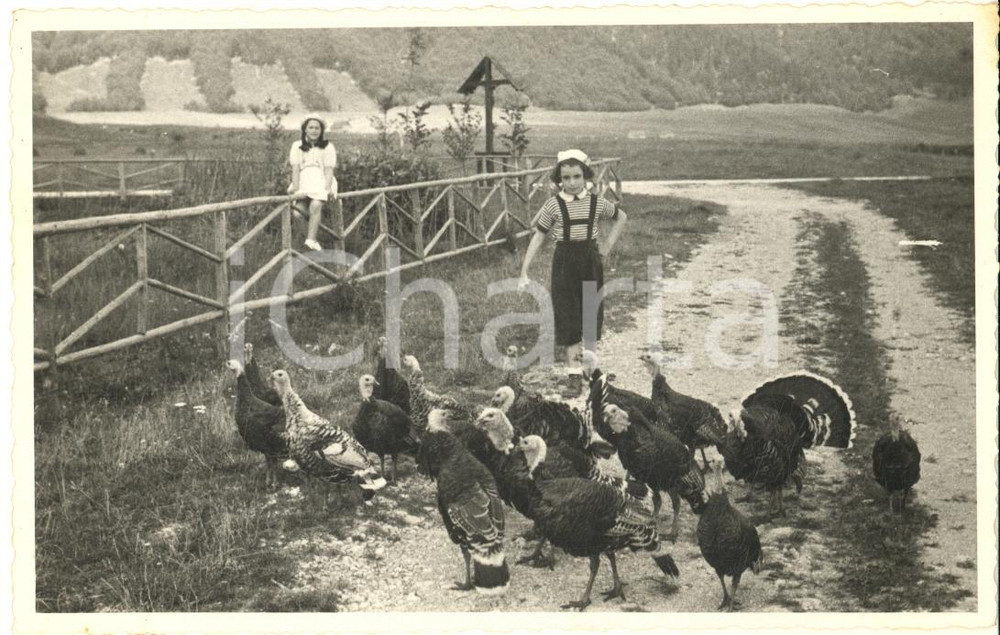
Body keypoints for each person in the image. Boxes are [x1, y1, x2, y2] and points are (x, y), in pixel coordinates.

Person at [517, 149, 628, 368]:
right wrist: (524, 270)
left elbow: (621, 217)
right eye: (566, 178)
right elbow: (539, 236)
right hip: (564, 264)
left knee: (590, 314)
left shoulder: (596, 203)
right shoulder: (553, 205)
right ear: (559, 180)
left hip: (590, 261)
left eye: (577, 176)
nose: (572, 182)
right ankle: (574, 374)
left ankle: (590, 370)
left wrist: (605, 247)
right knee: (568, 315)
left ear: (585, 176)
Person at [288, 115, 338, 251]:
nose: (314, 131)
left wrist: (327, 190)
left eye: (317, 128)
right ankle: (311, 241)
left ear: (321, 131)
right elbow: (296, 169)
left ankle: (311, 241)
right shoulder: (296, 146)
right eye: (311, 127)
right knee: (298, 213)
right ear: (305, 129)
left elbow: (328, 171)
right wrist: (295, 188)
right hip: (304, 183)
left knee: (315, 205)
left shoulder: (328, 147)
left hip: (321, 181)